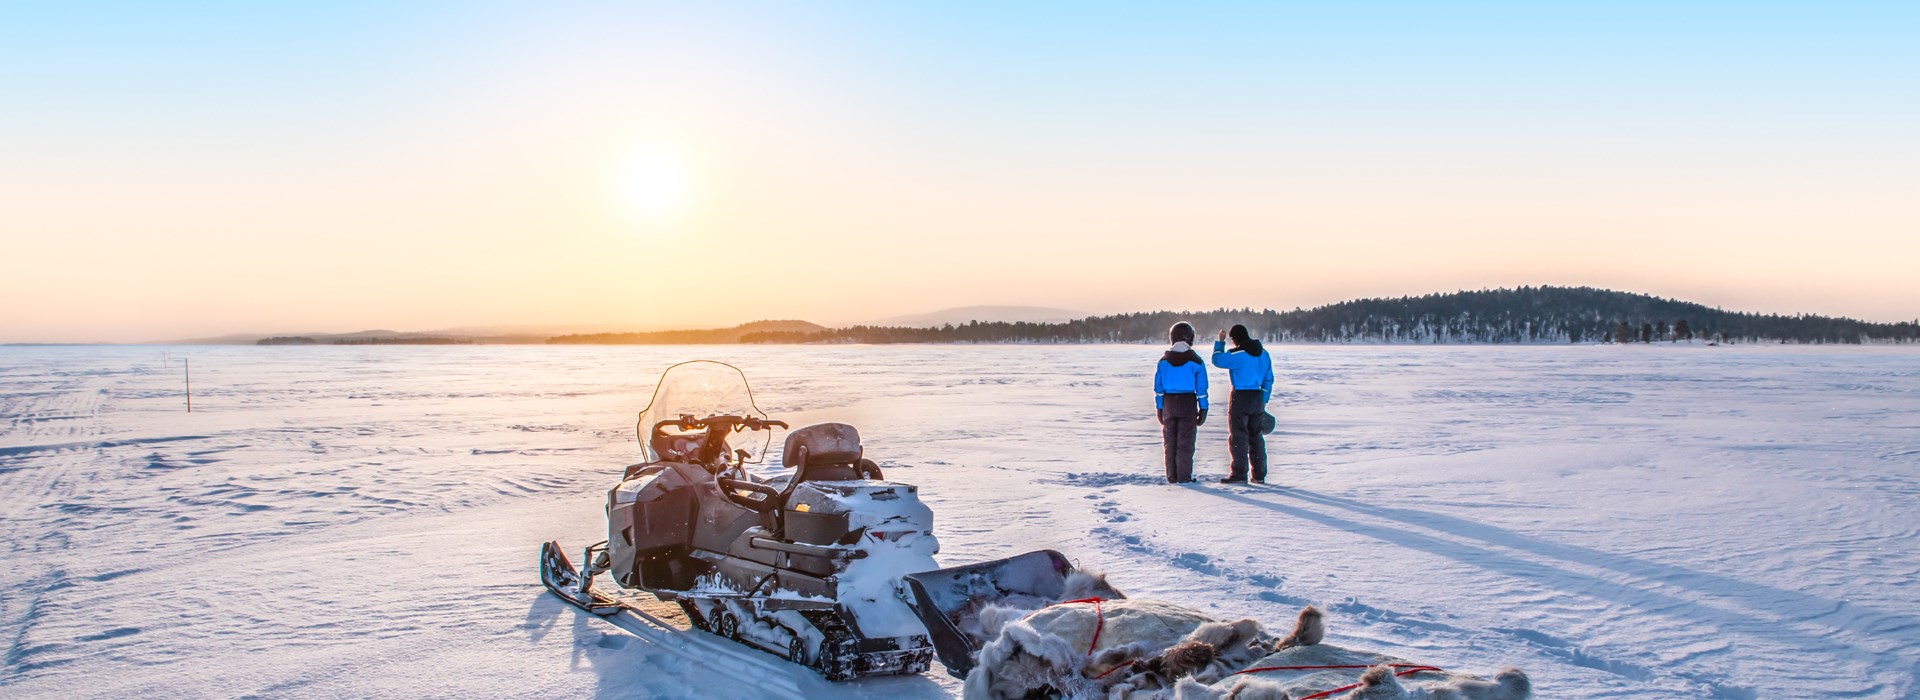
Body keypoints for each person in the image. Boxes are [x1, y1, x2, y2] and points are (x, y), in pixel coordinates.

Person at [1211, 324, 1274, 483]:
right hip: (1258, 397)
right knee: (1256, 436)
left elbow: (1217, 360)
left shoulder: (1238, 354)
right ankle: (1259, 475)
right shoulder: (1264, 354)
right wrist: (1264, 400)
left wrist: (1220, 343)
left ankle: (1239, 474)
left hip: (1241, 397)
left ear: (1234, 339)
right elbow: (1268, 380)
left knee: (1239, 436)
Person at [1153, 322, 1208, 483]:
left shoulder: (1163, 361)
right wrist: (1203, 409)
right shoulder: (1196, 361)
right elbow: (1202, 389)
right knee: (1186, 441)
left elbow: (1158, 388)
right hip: (1187, 402)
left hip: (1169, 403)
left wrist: (1160, 407)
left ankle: (1172, 476)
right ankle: (1184, 476)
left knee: (1170, 442)